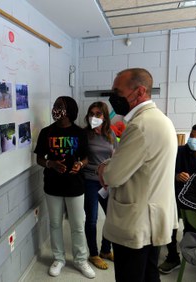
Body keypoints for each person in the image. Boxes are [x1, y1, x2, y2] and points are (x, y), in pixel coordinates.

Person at [97, 68, 178, 282]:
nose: (113, 97)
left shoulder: (140, 126)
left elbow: (113, 176)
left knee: (131, 277)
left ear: (140, 91)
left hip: (137, 221)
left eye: (117, 91)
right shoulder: (160, 119)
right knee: (149, 274)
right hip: (152, 216)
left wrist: (103, 167)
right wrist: (111, 164)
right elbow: (137, 164)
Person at [34, 96, 95, 279]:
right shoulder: (46, 132)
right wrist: (51, 164)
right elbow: (39, 159)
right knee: (55, 224)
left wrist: (80, 165)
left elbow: (86, 158)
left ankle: (80, 260)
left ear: (69, 110)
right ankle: (58, 259)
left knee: (77, 225)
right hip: (52, 186)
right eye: (54, 106)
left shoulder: (80, 133)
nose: (55, 109)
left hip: (75, 185)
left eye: (59, 106)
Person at [158, 123, 196, 274]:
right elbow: (162, 173)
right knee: (170, 227)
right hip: (176, 197)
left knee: (195, 228)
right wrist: (175, 176)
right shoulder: (179, 152)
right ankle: (173, 257)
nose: (193, 139)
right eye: (192, 136)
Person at [83, 101, 118, 270]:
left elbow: (117, 155)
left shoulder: (110, 134)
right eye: (91, 113)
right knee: (92, 219)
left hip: (107, 183)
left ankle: (105, 250)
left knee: (112, 217)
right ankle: (94, 254)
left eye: (98, 114)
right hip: (89, 180)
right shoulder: (84, 134)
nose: (94, 117)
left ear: (104, 117)